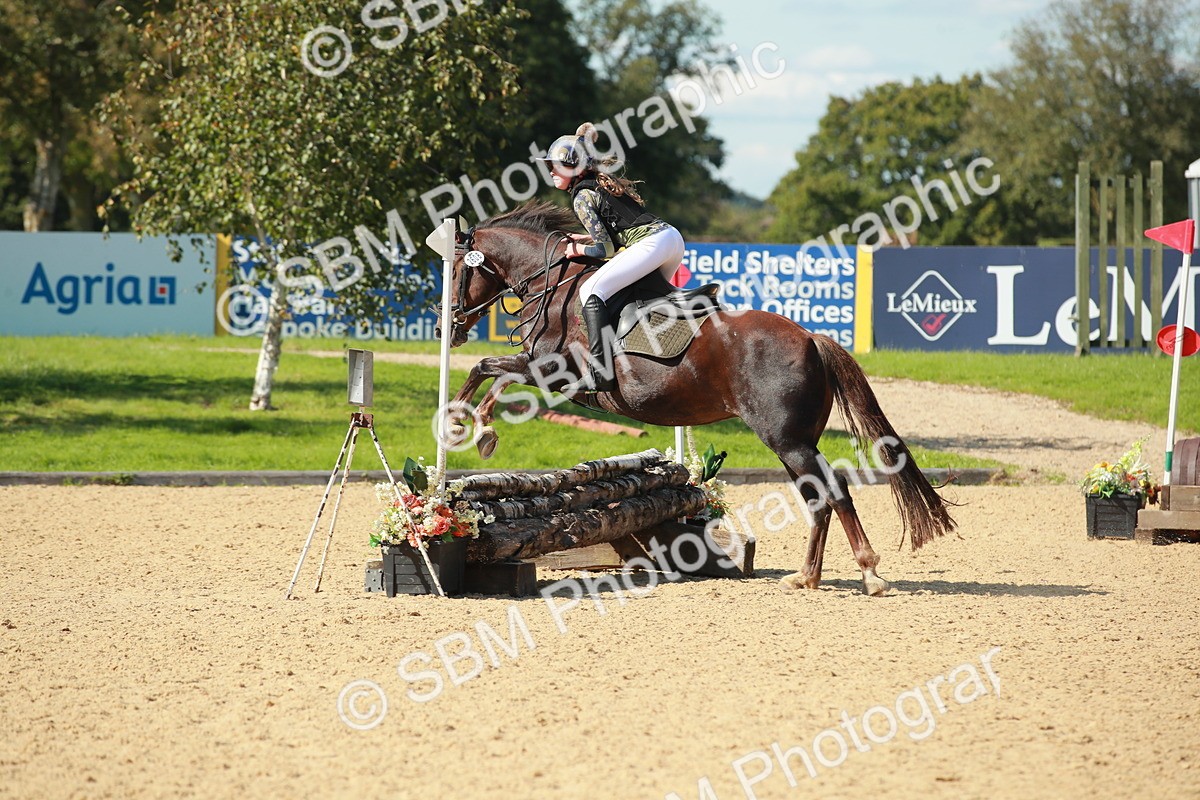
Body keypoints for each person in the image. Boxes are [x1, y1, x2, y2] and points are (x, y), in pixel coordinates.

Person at [537, 122, 686, 394]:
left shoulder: (582, 196)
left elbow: (605, 250)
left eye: (554, 165)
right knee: (633, 296)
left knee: (590, 289)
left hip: (653, 244)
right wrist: (585, 238)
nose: (550, 171)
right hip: (671, 239)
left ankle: (599, 373)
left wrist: (577, 250)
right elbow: (616, 234)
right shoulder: (595, 185)